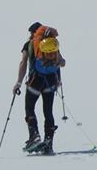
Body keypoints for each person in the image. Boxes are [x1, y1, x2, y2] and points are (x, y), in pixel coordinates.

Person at [13, 21, 66, 154]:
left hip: (34, 82)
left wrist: (18, 83)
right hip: (50, 82)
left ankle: (34, 137)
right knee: (48, 111)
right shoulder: (52, 45)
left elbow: (23, 63)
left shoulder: (29, 44)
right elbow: (62, 62)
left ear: (33, 33)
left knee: (30, 108)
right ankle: (49, 142)